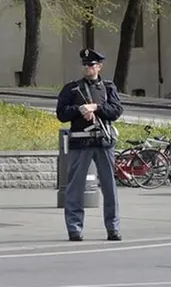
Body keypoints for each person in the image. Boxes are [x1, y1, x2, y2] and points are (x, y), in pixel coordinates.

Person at [56, 48, 124, 242]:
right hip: (80, 142)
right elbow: (61, 113)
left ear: (99, 67)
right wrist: (79, 109)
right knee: (75, 189)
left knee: (110, 188)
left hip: (103, 142)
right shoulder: (71, 89)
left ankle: (113, 228)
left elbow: (116, 110)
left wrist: (97, 108)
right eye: (85, 64)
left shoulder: (108, 87)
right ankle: (75, 229)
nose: (88, 68)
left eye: (91, 65)